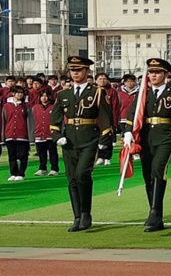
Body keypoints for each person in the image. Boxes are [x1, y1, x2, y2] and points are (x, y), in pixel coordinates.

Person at [50, 56, 113, 232]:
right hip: (69, 140)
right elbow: (55, 118)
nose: (75, 73)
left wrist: (104, 140)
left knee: (82, 174)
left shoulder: (97, 92)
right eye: (72, 70)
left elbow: (106, 117)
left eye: (79, 70)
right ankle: (77, 216)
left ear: (87, 71)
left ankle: (86, 213)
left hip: (89, 138)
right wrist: (56, 136)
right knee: (71, 178)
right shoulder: (63, 94)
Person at [123, 58, 171, 232]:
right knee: (148, 175)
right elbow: (133, 114)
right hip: (146, 137)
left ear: (165, 74)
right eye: (151, 72)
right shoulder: (143, 94)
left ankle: (154, 211)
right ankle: (156, 215)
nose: (153, 75)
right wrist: (128, 131)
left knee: (158, 169)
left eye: (157, 72)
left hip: (166, 136)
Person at [1, 86, 33, 181]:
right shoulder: (6, 106)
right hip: (10, 134)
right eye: (18, 92)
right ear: (13, 93)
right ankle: (13, 173)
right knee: (12, 155)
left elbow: (30, 123)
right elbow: (3, 121)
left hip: (23, 135)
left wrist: (31, 138)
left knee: (23, 155)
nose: (20, 94)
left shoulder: (27, 106)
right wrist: (3, 137)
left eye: (21, 93)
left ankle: (21, 173)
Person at [30, 90, 60, 176]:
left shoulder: (53, 107)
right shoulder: (35, 108)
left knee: (52, 152)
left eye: (46, 96)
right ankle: (42, 168)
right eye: (42, 96)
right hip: (39, 133)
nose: (44, 98)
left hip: (50, 134)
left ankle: (54, 168)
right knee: (41, 152)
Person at [95, 73, 120, 166]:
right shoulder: (94, 91)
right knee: (97, 140)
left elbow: (115, 107)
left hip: (108, 119)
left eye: (104, 79)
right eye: (100, 79)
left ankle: (107, 157)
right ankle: (100, 156)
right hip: (96, 120)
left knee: (108, 139)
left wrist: (115, 120)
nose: (102, 80)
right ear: (96, 81)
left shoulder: (112, 91)